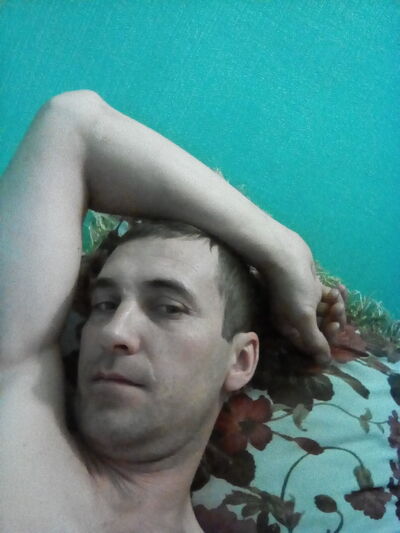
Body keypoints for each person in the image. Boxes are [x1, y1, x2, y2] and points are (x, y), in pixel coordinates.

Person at [0, 90, 346, 533]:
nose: (115, 331)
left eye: (168, 308)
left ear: (241, 360)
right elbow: (69, 125)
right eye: (105, 304)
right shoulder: (19, 424)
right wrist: (283, 252)